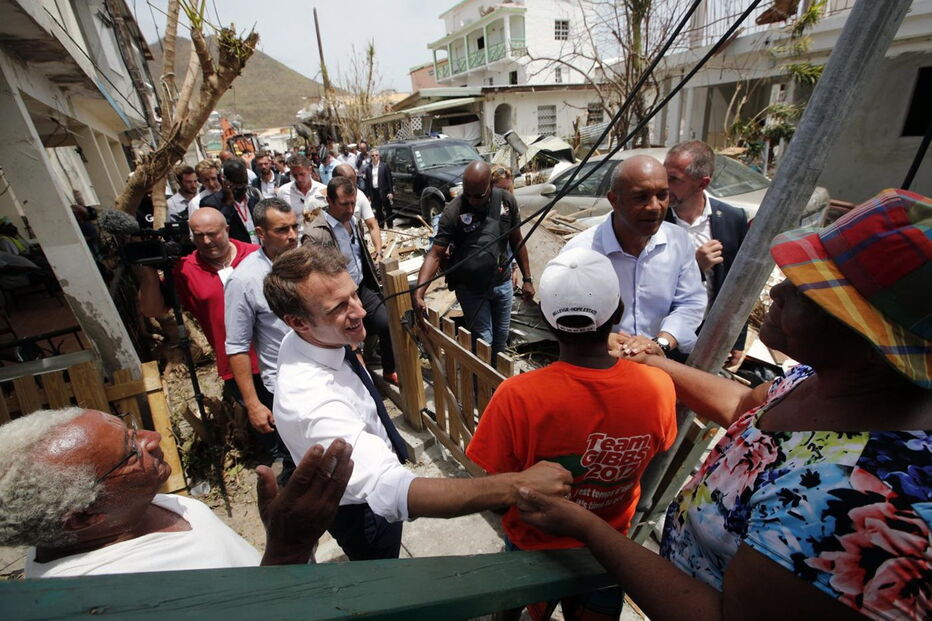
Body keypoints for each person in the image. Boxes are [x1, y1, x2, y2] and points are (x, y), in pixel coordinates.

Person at [519, 189, 932, 621]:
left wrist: (587, 528)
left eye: (809, 292)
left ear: (874, 344)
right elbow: (747, 406)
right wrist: (650, 360)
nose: (777, 293)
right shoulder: (828, 381)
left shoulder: (868, 507)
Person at [266, 244, 573, 561]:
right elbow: (392, 490)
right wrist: (517, 487)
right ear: (298, 322)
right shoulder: (310, 402)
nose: (360, 311)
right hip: (362, 511)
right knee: (381, 566)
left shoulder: (310, 339)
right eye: (338, 308)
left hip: (366, 482)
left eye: (354, 295)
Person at [467, 248, 677, 621]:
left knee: (510, 611)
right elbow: (657, 450)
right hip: (608, 549)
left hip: (533, 546)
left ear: (546, 319)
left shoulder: (518, 396)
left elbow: (497, 497)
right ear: (617, 313)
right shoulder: (658, 386)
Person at [0, 407, 353, 576]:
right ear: (83, 517)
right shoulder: (101, 595)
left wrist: (282, 541)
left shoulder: (124, 510)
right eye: (131, 452)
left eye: (131, 428)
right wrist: (288, 551)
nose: (152, 438)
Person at [563, 155, 706, 359]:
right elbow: (562, 313)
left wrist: (660, 343)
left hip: (660, 364)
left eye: (662, 195)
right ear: (614, 200)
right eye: (641, 197)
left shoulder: (678, 241)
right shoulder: (580, 253)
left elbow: (690, 302)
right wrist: (600, 339)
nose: (655, 206)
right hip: (601, 366)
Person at [414, 160, 534, 357]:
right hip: (470, 289)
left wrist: (528, 279)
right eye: (467, 194)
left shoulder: (506, 203)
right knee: (483, 340)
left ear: (489, 186)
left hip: (501, 284)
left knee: (501, 338)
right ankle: (484, 385)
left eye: (478, 196)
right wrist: (419, 294)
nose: (472, 200)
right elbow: (435, 254)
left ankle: (498, 385)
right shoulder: (453, 211)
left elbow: (517, 240)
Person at [225, 198, 300, 477]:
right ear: (260, 233)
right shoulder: (244, 280)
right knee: (296, 460)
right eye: (282, 230)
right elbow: (236, 346)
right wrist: (254, 404)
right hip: (284, 387)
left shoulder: (306, 261)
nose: (292, 236)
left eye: (294, 226)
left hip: (324, 370)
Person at [664, 141, 749, 366]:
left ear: (702, 184)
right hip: (664, 335)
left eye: (674, 179)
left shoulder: (732, 219)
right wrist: (694, 267)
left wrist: (737, 340)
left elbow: (741, 284)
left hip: (710, 335)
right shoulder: (653, 219)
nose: (664, 185)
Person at [304, 176, 396, 384]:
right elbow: (316, 277)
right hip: (337, 297)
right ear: (329, 201)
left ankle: (389, 370)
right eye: (344, 204)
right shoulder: (316, 235)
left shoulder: (353, 222)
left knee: (386, 322)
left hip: (361, 287)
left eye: (353, 203)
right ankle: (360, 381)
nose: (350, 208)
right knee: (349, 342)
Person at [200, 158, 262, 245]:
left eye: (244, 182)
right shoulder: (210, 203)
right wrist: (228, 204)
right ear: (225, 180)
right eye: (237, 183)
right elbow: (216, 230)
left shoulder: (253, 200)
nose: (241, 187)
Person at [332, 163, 383, 261]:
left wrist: (379, 252)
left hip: (357, 255)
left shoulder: (360, 195)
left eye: (354, 184)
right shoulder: (319, 200)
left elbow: (372, 225)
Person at [276, 153, 327, 236]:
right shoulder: (283, 192)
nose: (299, 179)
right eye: (295, 175)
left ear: (310, 170)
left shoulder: (323, 190)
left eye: (302, 174)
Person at [362, 148, 394, 227]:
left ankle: (390, 227)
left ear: (379, 156)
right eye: (372, 156)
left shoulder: (384, 166)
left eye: (376, 155)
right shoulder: (368, 168)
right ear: (370, 157)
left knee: (388, 210)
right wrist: (368, 195)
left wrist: (391, 192)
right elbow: (367, 183)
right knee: (378, 211)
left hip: (384, 191)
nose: (375, 157)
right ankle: (381, 227)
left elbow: (389, 180)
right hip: (374, 192)